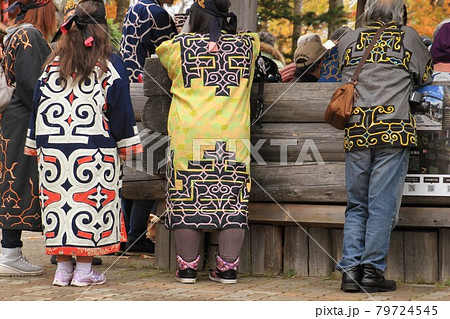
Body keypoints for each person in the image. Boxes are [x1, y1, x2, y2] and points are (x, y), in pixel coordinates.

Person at [24, 0, 142, 287]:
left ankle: (63, 270)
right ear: (102, 27)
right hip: (92, 148)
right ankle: (84, 271)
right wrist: (127, 146)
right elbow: (121, 108)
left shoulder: (53, 62)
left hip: (52, 148)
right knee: (91, 205)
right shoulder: (110, 63)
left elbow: (38, 105)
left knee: (59, 205)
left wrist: (33, 143)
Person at [156, 0, 259, 284]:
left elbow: (160, 50)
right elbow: (253, 39)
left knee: (187, 198)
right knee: (232, 201)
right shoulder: (248, 46)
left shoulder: (178, 48)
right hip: (232, 138)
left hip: (189, 137)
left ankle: (187, 267)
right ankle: (227, 268)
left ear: (195, 17)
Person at [336, 0, 433, 293]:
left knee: (356, 204)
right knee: (381, 205)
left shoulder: (349, 38)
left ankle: (350, 271)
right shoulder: (408, 36)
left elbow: (343, 73)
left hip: (357, 131)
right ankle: (372, 271)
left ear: (369, 13)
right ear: (399, 14)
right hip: (393, 131)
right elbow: (424, 75)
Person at [0, 0, 55, 276]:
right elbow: (35, 86)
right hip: (23, 122)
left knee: (15, 179)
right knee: (18, 180)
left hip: (14, 119)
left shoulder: (16, 33)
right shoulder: (29, 35)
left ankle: (10, 250)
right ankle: (9, 252)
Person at [119, 0, 177, 254]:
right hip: (148, 92)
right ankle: (135, 234)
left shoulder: (134, 8)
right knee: (149, 164)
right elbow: (171, 52)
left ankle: (125, 234)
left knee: (132, 163)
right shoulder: (157, 13)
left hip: (129, 88)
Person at [120, 0, 177, 83]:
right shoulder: (158, 13)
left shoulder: (132, 9)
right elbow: (172, 53)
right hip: (148, 81)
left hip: (128, 75)